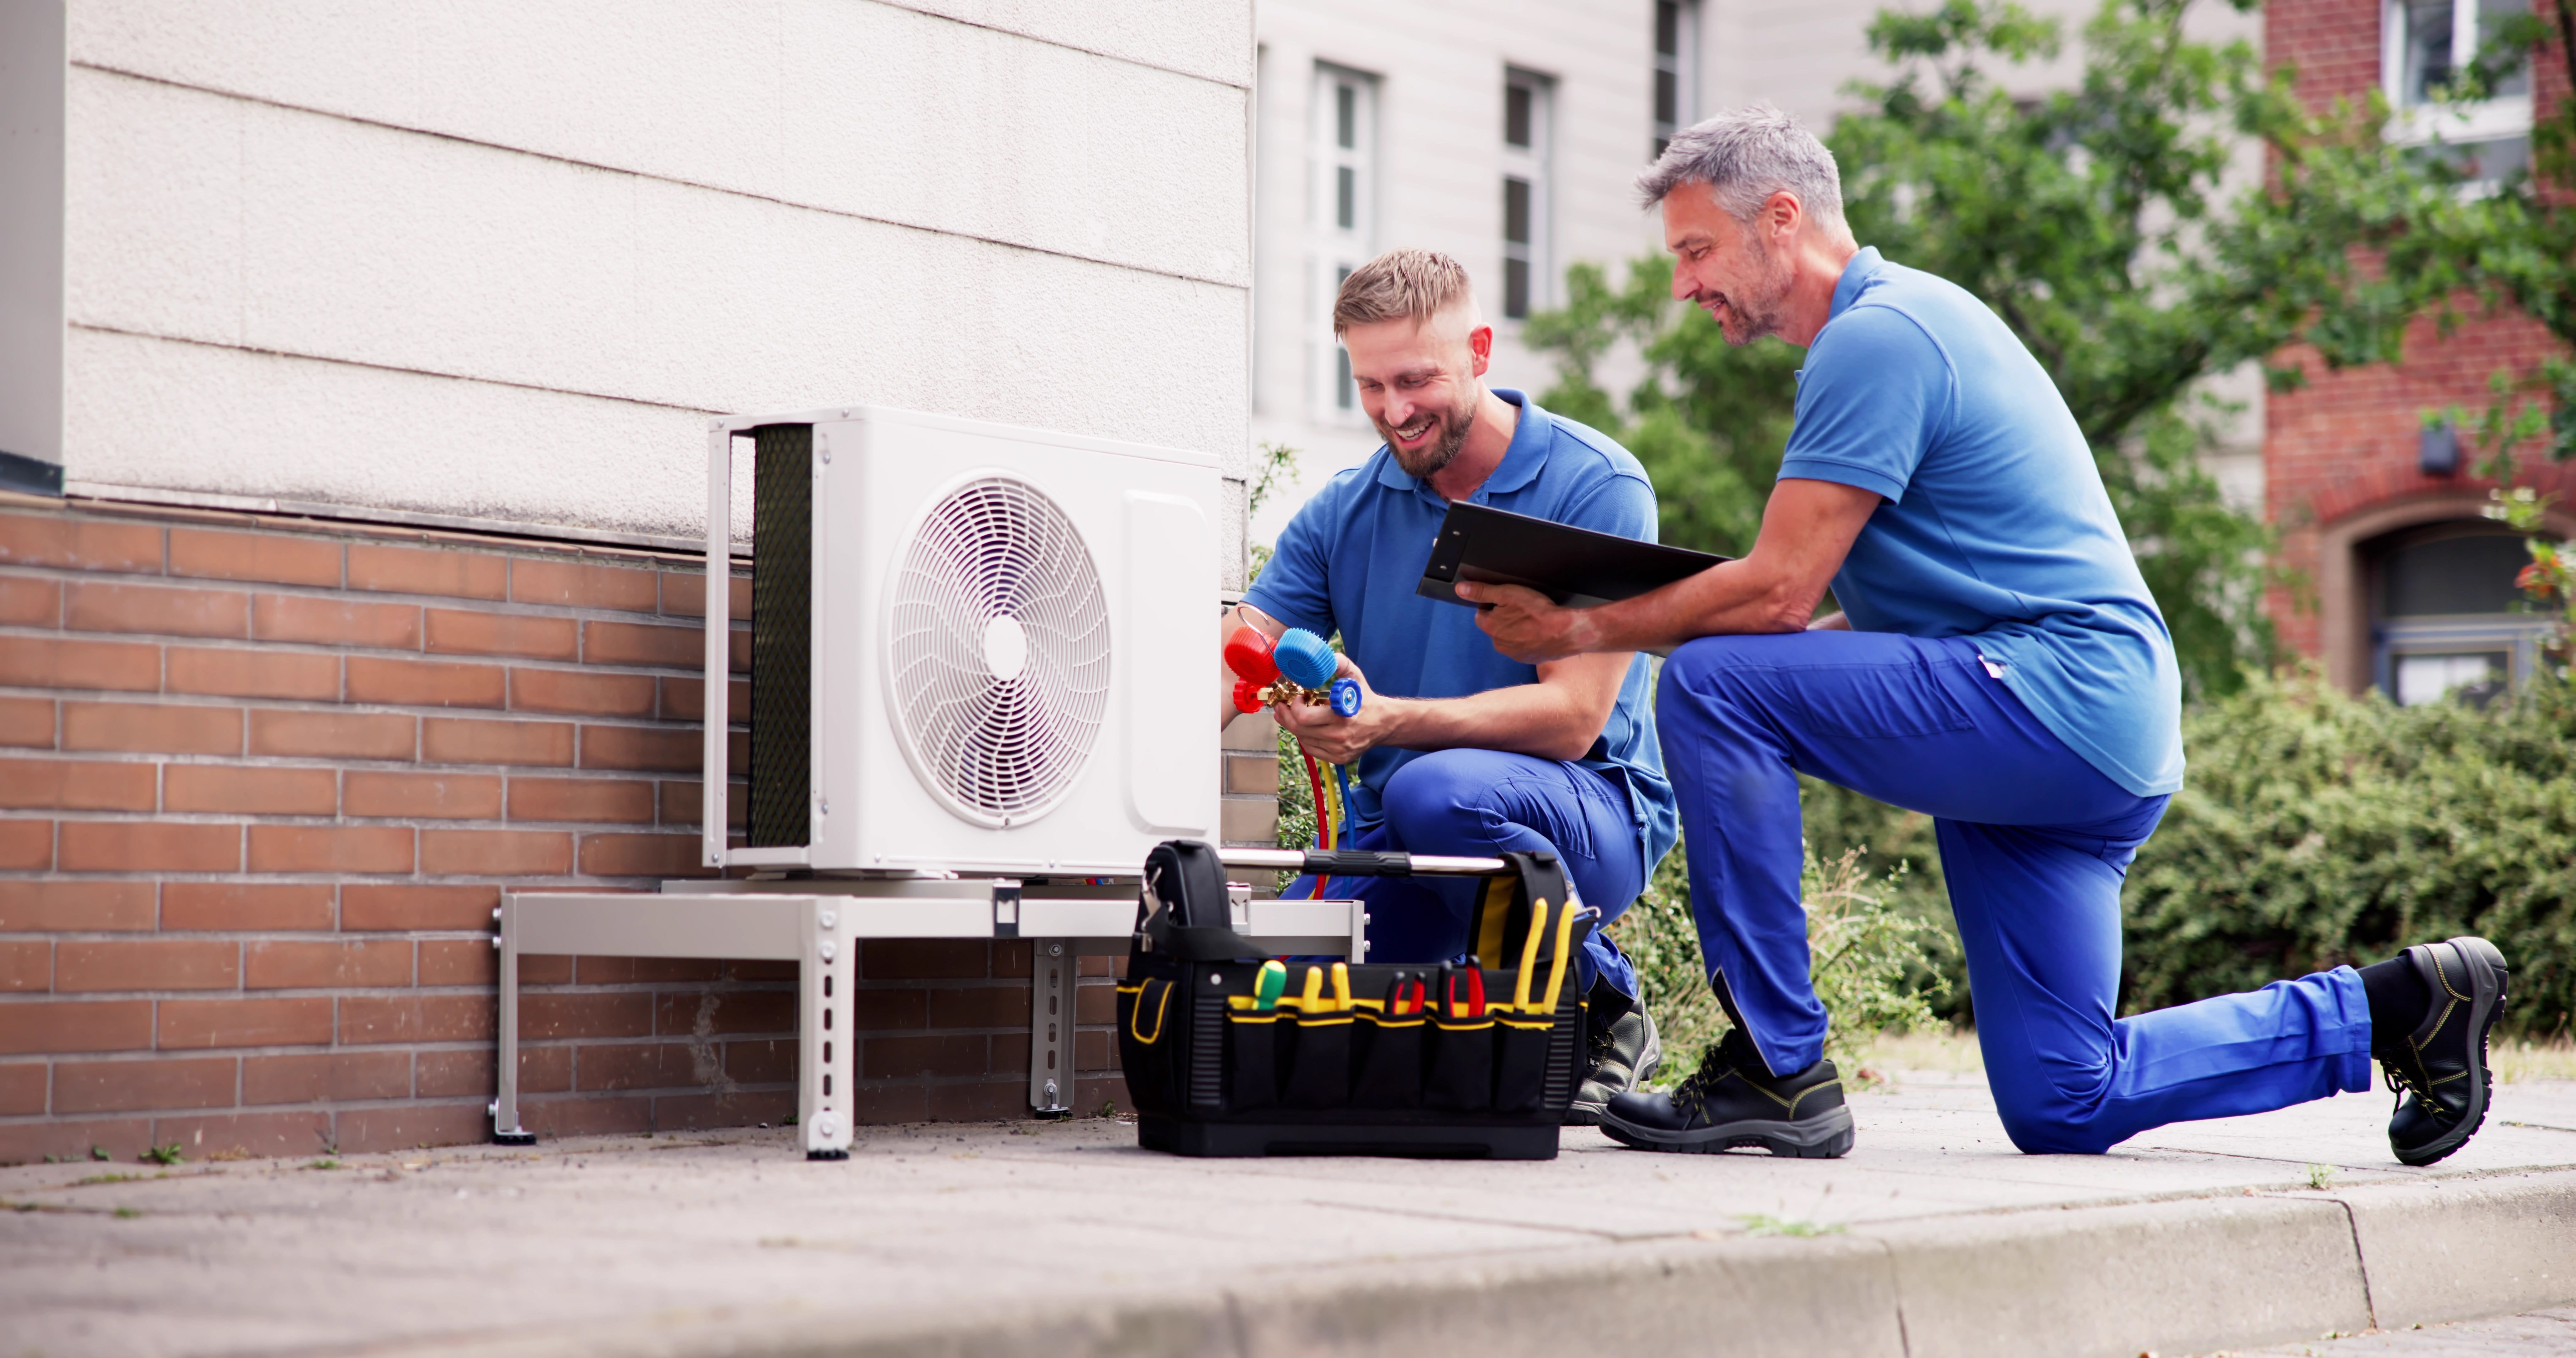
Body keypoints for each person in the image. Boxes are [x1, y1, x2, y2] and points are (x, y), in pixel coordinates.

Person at [1461, 106, 2510, 1163]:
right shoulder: (1908, 324)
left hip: (2051, 695)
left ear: (1781, 219)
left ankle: (1775, 1066)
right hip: (2085, 729)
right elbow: (1839, 616)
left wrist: (1581, 624)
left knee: (1714, 684)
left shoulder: (1877, 338)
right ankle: (2397, 1008)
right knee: (2065, 1096)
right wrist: (1767, 660)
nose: (1686, 284)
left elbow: (1775, 597)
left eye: (1697, 251)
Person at [1225, 248, 1678, 1121]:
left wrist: (1385, 720)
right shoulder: (1346, 510)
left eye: (1415, 380)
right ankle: (1498, 1004)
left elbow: (1575, 720)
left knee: (1437, 787)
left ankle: (1602, 998)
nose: (1394, 412)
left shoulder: (1594, 485)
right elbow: (1237, 649)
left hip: (1583, 816)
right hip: (1402, 833)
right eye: (1370, 386)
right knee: (1259, 997)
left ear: (1479, 349)